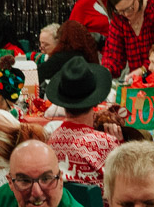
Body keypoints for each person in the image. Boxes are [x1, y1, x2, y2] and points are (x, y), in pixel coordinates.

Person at [39, 58, 125, 188]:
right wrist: (121, 147)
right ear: (95, 101)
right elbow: (126, 183)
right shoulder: (105, 143)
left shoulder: (51, 141)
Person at [38, 18, 100, 85]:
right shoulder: (87, 55)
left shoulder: (59, 58)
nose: (41, 48)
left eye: (46, 44)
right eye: (40, 43)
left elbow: (38, 75)